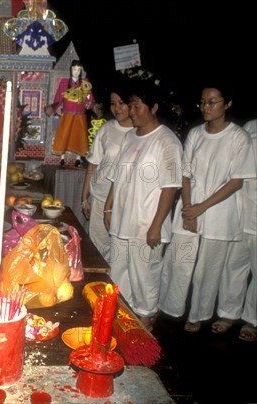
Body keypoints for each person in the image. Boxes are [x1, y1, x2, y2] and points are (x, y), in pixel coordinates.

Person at [158, 84, 255, 333]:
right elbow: (186, 174)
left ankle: (198, 314)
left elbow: (236, 181)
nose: (206, 107)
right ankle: (169, 307)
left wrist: (202, 208)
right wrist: (189, 208)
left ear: (228, 103)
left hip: (220, 211)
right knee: (178, 260)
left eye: (212, 102)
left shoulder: (238, 137)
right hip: (190, 206)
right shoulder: (196, 134)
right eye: (202, 102)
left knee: (207, 270)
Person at [103, 81, 183, 331]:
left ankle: (146, 322)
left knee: (144, 275)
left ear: (154, 107)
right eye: (131, 105)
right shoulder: (129, 137)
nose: (132, 111)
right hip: (122, 219)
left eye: (137, 106)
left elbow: (170, 186)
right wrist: (108, 207)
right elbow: (117, 176)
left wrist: (156, 226)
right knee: (118, 271)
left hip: (146, 223)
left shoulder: (166, 141)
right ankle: (122, 321)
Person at [81, 85, 133, 259]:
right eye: (113, 103)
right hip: (100, 196)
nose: (117, 108)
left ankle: (115, 285)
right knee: (96, 247)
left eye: (121, 102)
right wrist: (84, 198)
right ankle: (97, 285)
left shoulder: (140, 132)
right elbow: (92, 165)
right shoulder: (106, 129)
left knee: (119, 252)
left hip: (126, 201)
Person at [46, 60, 96, 166]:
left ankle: (78, 158)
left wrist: (89, 104)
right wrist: (53, 108)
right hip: (67, 114)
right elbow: (58, 98)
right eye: (74, 69)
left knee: (79, 136)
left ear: (81, 70)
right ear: (70, 70)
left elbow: (90, 99)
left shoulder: (85, 84)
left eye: (78, 69)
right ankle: (62, 158)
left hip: (80, 115)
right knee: (64, 135)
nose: (76, 72)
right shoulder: (64, 82)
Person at [238, 118, 257, 341]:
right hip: (242, 210)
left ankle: (252, 319)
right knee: (235, 269)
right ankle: (229, 313)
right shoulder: (250, 127)